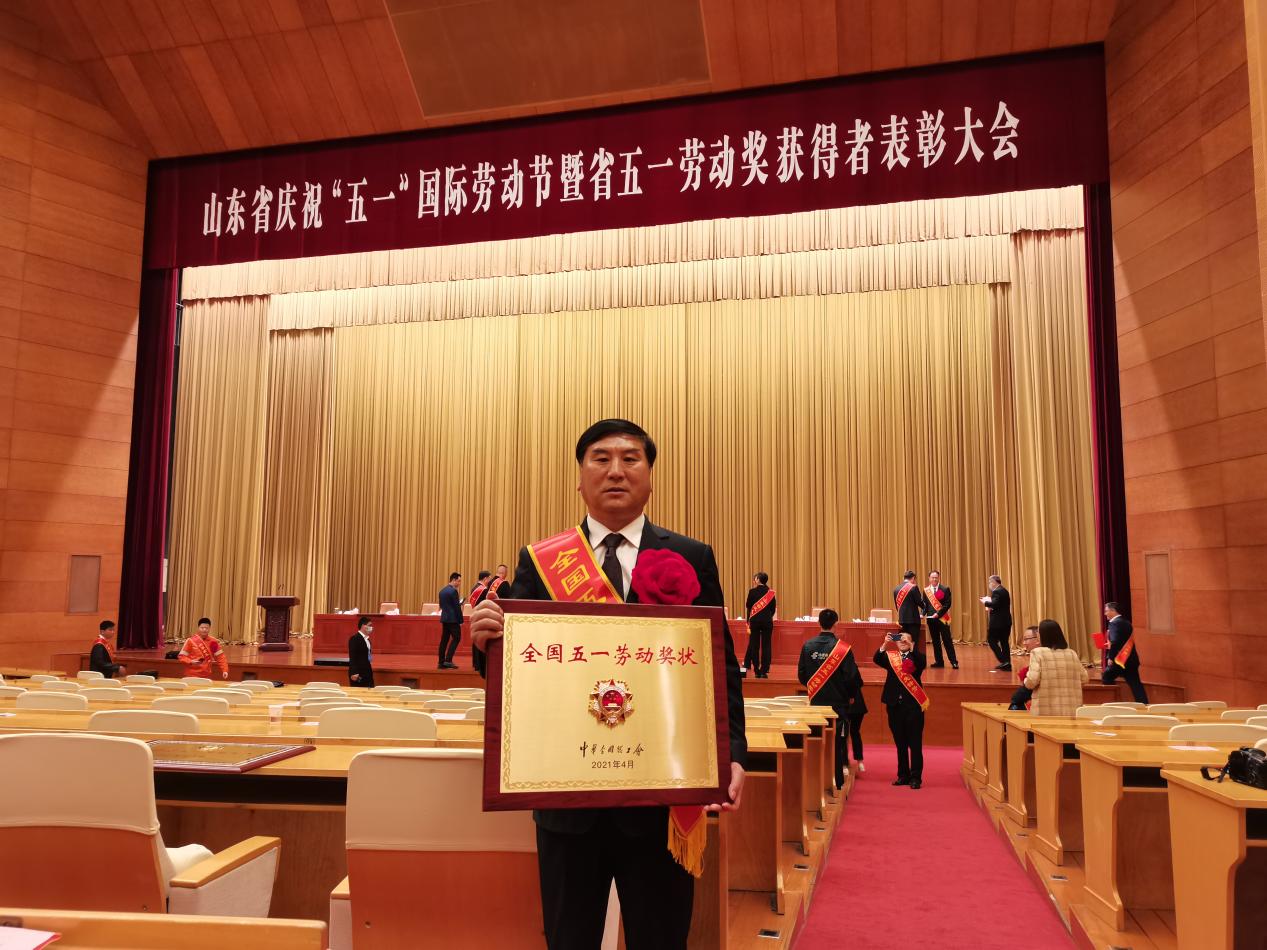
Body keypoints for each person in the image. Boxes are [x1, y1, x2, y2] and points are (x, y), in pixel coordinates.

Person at [469, 418, 746, 950]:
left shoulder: (691, 556)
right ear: (580, 479)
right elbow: (523, 671)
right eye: (601, 458)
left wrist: (731, 752)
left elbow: (720, 666)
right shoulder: (541, 562)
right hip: (567, 801)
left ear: (650, 478)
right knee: (569, 939)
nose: (616, 470)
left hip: (661, 797)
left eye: (630, 458)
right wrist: (488, 645)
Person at [798, 608, 866, 785]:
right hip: (838, 704)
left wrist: (816, 687)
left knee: (816, 741)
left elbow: (802, 675)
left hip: (816, 702)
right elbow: (851, 677)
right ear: (836, 624)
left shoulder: (807, 646)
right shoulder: (843, 648)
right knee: (837, 743)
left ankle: (815, 782)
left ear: (818, 623)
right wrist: (851, 695)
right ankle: (836, 781)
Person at [873, 630, 927, 789]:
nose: (902, 642)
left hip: (913, 707)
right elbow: (877, 658)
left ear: (912, 643)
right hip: (894, 705)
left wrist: (912, 647)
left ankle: (915, 777)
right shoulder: (891, 657)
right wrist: (885, 643)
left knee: (915, 744)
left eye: (906, 640)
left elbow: (921, 664)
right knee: (900, 743)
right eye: (900, 640)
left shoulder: (917, 657)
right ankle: (903, 775)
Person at [1022, 619, 1088, 716]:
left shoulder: (1038, 652)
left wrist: (1025, 681)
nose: (1038, 636)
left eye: (1039, 633)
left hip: (1045, 710)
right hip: (1071, 711)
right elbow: (1084, 678)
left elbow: (1032, 681)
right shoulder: (1072, 653)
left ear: (1044, 635)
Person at [1101, 601, 1148, 703]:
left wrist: (1110, 657)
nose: (1105, 614)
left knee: (1107, 677)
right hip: (1131, 659)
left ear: (1113, 611)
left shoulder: (1114, 623)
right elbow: (1121, 641)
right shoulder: (1126, 622)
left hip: (1120, 660)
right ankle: (1144, 705)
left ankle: (1112, 704)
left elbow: (1115, 641)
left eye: (1106, 611)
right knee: (1136, 684)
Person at [742, 572, 776, 678]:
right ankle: (764, 671)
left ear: (758, 580)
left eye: (755, 578)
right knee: (766, 646)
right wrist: (767, 616)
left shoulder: (752, 592)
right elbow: (773, 609)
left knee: (754, 645)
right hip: (767, 621)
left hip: (755, 621)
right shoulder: (770, 593)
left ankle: (756, 670)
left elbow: (748, 605)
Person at [924, 569, 957, 669]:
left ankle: (954, 662)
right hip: (931, 619)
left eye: (936, 577)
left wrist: (938, 614)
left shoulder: (945, 589)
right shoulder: (926, 590)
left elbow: (947, 604)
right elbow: (925, 605)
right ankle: (939, 661)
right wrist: (922, 614)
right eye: (932, 577)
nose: (934, 579)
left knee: (947, 640)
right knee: (935, 641)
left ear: (938, 578)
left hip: (943, 618)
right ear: (929, 578)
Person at [980, 575, 1013, 671]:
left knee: (991, 640)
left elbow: (994, 604)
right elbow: (998, 603)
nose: (989, 584)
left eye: (990, 582)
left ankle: (1004, 661)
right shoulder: (1004, 590)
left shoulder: (997, 591)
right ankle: (1007, 663)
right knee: (1004, 642)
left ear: (994, 582)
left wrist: (985, 602)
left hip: (998, 623)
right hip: (1006, 621)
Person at [892, 570, 928, 651]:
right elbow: (920, 603)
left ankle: (905, 658)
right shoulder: (913, 587)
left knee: (903, 643)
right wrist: (924, 609)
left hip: (901, 620)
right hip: (913, 621)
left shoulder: (896, 589)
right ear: (913, 578)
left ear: (903, 578)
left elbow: (897, 606)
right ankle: (913, 658)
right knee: (913, 642)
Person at [1008, 625, 1041, 710]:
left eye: (1026, 639)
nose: (1024, 643)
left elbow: (1031, 682)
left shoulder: (1038, 655)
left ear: (1037, 639)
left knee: (1016, 701)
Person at [437, 572, 463, 670]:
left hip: (445, 618)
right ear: (454, 580)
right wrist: (461, 621)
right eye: (459, 581)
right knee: (457, 638)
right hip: (453, 619)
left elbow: (442, 605)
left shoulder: (442, 591)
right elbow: (456, 608)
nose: (459, 583)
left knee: (444, 640)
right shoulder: (453, 591)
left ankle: (441, 662)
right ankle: (448, 660)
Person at [348, 615, 374, 688]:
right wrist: (354, 672)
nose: (371, 628)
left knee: (369, 691)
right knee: (360, 692)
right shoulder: (355, 638)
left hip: (367, 671)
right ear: (363, 626)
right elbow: (352, 656)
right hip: (358, 673)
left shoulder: (367, 640)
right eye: (369, 625)